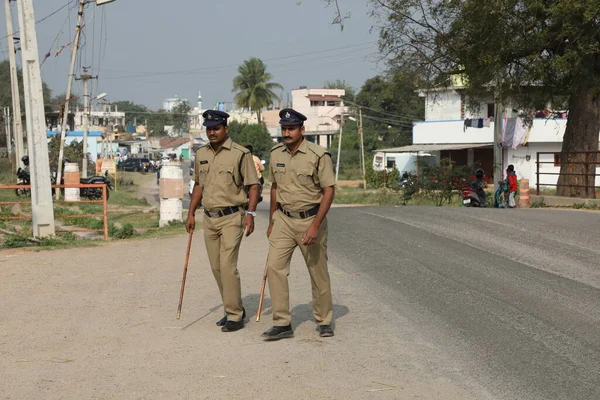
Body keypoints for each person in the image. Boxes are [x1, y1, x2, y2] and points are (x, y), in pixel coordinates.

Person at [262, 108, 336, 341]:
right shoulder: (276, 154)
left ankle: (324, 320)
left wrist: (315, 225)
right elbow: (274, 187)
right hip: (283, 219)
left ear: (302, 130)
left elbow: (329, 191)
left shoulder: (318, 155)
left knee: (318, 273)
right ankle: (282, 323)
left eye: (291, 128)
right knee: (274, 268)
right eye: (284, 128)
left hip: (310, 220)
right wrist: (273, 218)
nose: (287, 132)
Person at [185, 110, 260, 333]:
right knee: (216, 267)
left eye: (216, 128)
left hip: (231, 217)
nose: (212, 132)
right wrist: (190, 213)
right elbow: (198, 185)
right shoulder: (201, 154)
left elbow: (253, 186)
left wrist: (251, 214)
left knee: (227, 266)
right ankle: (232, 307)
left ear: (226, 129)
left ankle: (235, 316)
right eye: (209, 129)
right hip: (209, 218)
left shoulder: (240, 154)